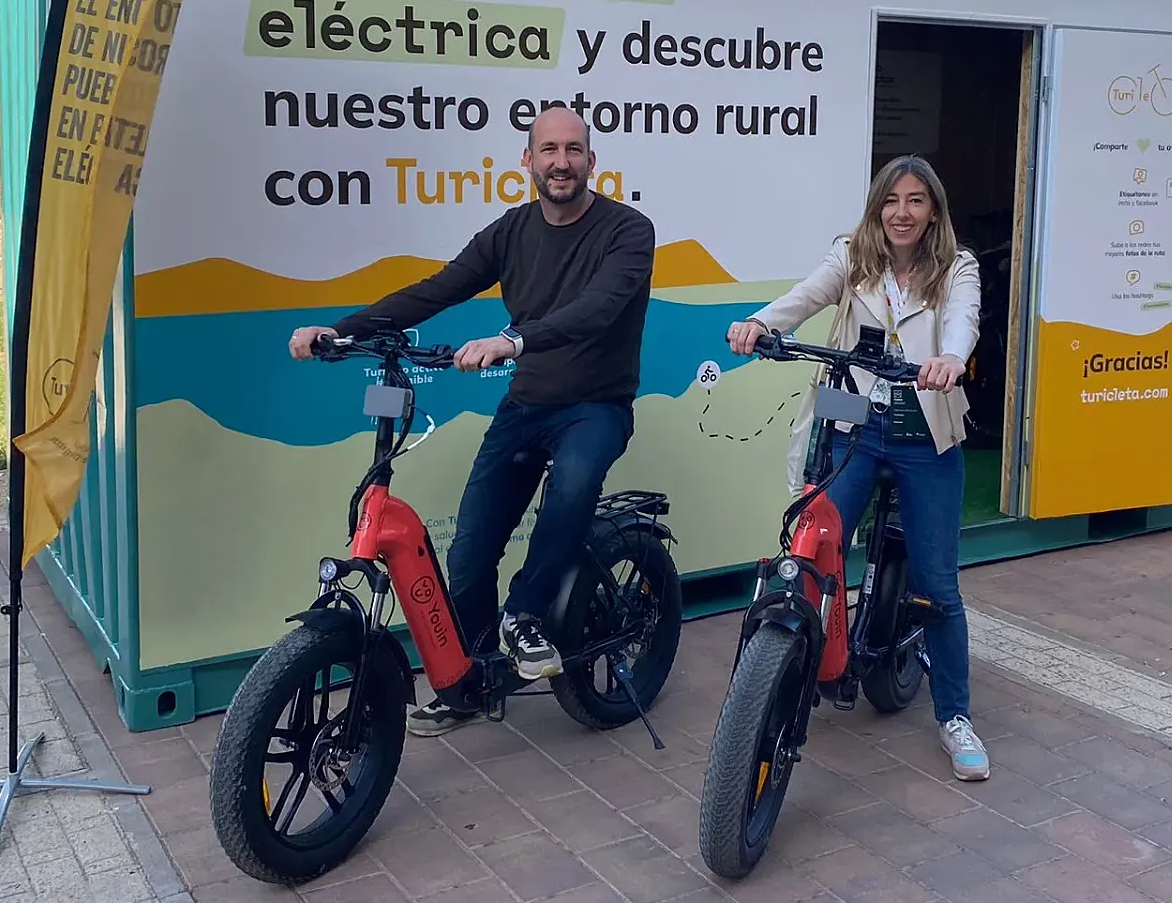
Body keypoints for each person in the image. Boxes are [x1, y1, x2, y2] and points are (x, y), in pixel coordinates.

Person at [290, 107, 655, 735]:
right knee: (469, 549)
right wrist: (341, 332)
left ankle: (528, 615)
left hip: (596, 405)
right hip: (526, 406)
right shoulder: (511, 231)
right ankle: (472, 681)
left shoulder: (628, 231)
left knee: (571, 486)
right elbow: (441, 287)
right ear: (528, 161)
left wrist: (514, 340)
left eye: (573, 150)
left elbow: (598, 309)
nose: (561, 161)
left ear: (592, 161)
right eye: (548, 149)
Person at [728, 155, 990, 780]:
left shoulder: (957, 267)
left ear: (933, 212)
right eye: (892, 200)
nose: (902, 212)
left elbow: (964, 319)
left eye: (917, 201)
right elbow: (807, 296)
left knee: (939, 584)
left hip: (924, 423)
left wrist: (951, 358)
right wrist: (762, 323)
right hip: (852, 410)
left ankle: (955, 716)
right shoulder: (853, 255)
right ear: (877, 206)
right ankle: (797, 656)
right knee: (812, 540)